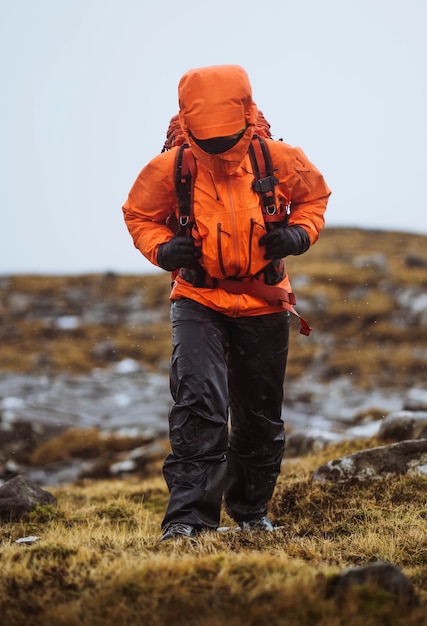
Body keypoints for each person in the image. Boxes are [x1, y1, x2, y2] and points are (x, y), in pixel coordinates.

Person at [122, 65, 331, 541]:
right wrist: (161, 248)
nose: (217, 148)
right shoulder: (168, 168)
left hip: (264, 301)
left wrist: (299, 233)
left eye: (226, 138)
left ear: (246, 118)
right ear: (188, 126)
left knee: (259, 415)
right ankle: (187, 523)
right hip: (198, 301)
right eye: (206, 140)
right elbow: (138, 214)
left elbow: (314, 197)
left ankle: (251, 511)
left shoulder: (278, 159)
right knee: (200, 405)